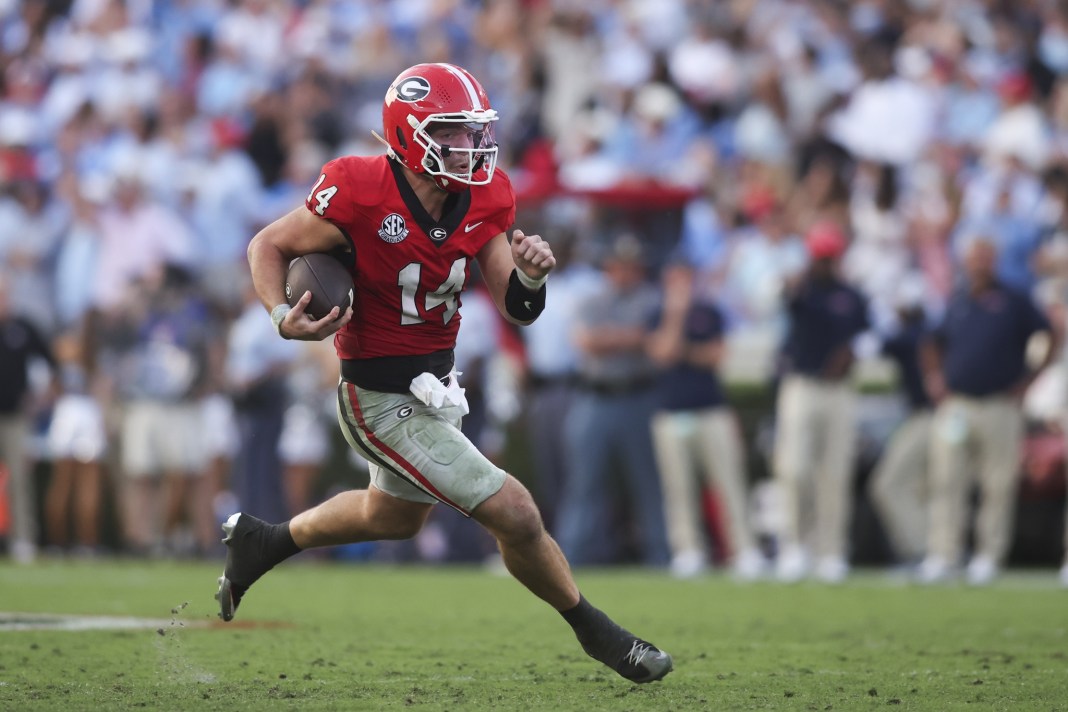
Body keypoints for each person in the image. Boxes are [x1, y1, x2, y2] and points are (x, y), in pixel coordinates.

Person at [214, 63, 672, 684]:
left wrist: (532, 276)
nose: (471, 148)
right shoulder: (355, 188)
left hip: (438, 387)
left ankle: (265, 543)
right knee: (515, 510)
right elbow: (267, 244)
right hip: (375, 397)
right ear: (408, 135)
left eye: (476, 133)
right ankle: (598, 632)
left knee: (392, 518)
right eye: (454, 134)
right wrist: (278, 315)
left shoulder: (488, 195)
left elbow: (519, 307)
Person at [918, 237, 1055, 585]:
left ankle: (988, 555)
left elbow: (1051, 334)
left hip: (999, 404)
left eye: (985, 257)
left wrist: (1030, 381)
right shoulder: (958, 297)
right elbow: (931, 340)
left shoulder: (1013, 299)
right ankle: (943, 553)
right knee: (947, 478)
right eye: (974, 257)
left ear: (993, 261)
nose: (979, 264)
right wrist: (935, 379)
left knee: (998, 483)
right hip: (958, 404)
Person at [647, 259, 764, 579]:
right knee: (679, 486)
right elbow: (662, 353)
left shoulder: (709, 312)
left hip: (711, 409)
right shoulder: (657, 314)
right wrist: (676, 316)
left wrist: (685, 351)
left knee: (728, 481)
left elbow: (715, 355)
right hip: (672, 413)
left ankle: (744, 549)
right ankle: (688, 550)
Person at [772, 222, 870, 583]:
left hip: (839, 390)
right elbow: (784, 302)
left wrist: (849, 354)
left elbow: (863, 335)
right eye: (820, 257)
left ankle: (832, 550)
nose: (824, 264)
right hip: (802, 384)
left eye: (829, 258)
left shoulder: (851, 295)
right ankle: (795, 545)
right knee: (795, 468)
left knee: (835, 471)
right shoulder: (802, 289)